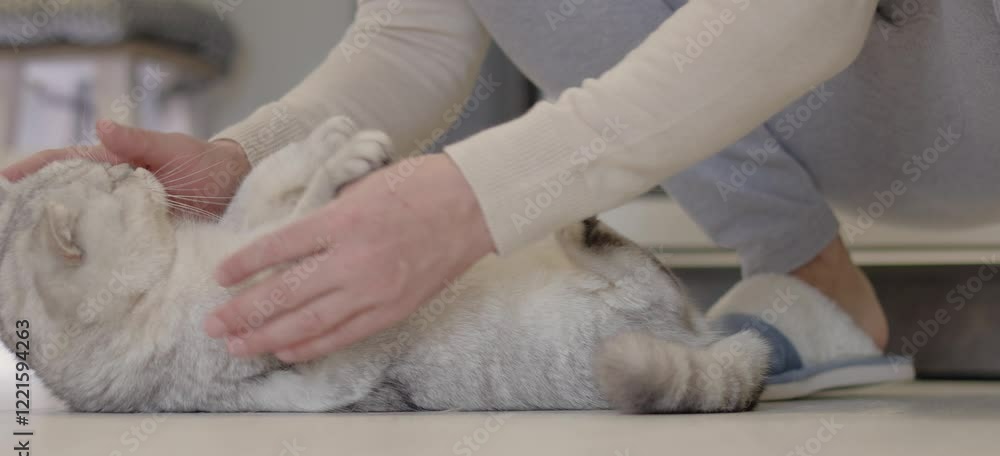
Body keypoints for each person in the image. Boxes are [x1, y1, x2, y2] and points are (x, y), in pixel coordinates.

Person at [4, 0, 991, 364]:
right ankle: (811, 278)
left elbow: (807, 13)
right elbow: (416, 33)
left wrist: (470, 201)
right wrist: (236, 166)